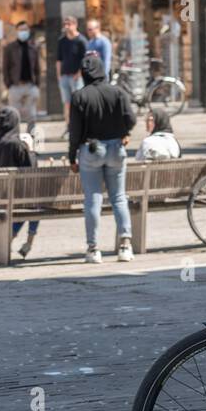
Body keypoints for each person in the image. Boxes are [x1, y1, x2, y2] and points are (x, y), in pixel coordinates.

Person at [68, 51, 137, 264]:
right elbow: (131, 119)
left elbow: (75, 131)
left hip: (90, 150)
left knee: (93, 200)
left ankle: (93, 248)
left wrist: (72, 157)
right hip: (116, 148)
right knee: (118, 198)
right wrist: (124, 132)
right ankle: (125, 245)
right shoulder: (117, 92)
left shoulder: (80, 96)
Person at [0, 106, 41, 259]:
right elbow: (31, 172)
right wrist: (31, 151)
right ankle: (19, 240)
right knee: (34, 204)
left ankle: (13, 240)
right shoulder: (17, 145)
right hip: (13, 198)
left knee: (29, 204)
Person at [2, 22, 42, 133]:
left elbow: (37, 68)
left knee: (32, 116)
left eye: (25, 29)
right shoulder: (10, 48)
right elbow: (5, 68)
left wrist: (37, 84)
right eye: (21, 30)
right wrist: (8, 84)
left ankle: (31, 140)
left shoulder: (33, 47)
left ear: (28, 31)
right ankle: (15, 140)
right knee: (14, 116)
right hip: (15, 86)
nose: (23, 32)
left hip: (30, 85)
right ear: (17, 31)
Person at [56, 15, 88, 129]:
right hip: (64, 76)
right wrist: (59, 75)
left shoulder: (81, 41)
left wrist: (79, 74)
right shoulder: (62, 40)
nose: (66, 27)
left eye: (69, 24)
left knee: (78, 103)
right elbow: (59, 59)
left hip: (76, 77)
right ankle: (68, 127)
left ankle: (80, 126)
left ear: (75, 25)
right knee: (67, 103)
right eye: (65, 24)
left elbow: (85, 60)